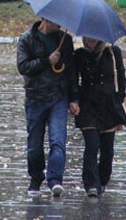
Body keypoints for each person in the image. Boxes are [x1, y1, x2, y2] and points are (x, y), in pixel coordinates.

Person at [17, 18, 79, 197]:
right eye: (55, 20)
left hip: (58, 97)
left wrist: (74, 97)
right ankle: (36, 178)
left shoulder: (64, 40)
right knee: (34, 144)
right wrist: (47, 61)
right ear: (45, 19)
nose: (59, 24)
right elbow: (23, 67)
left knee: (58, 140)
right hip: (35, 98)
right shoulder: (27, 39)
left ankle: (55, 180)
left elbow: (71, 71)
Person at [73, 36, 126, 198]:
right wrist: (74, 100)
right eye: (86, 37)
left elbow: (121, 76)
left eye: (93, 37)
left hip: (109, 106)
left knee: (107, 149)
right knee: (92, 145)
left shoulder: (112, 52)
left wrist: (119, 97)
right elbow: (73, 80)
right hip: (88, 106)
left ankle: (102, 180)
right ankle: (91, 184)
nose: (89, 40)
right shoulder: (79, 55)